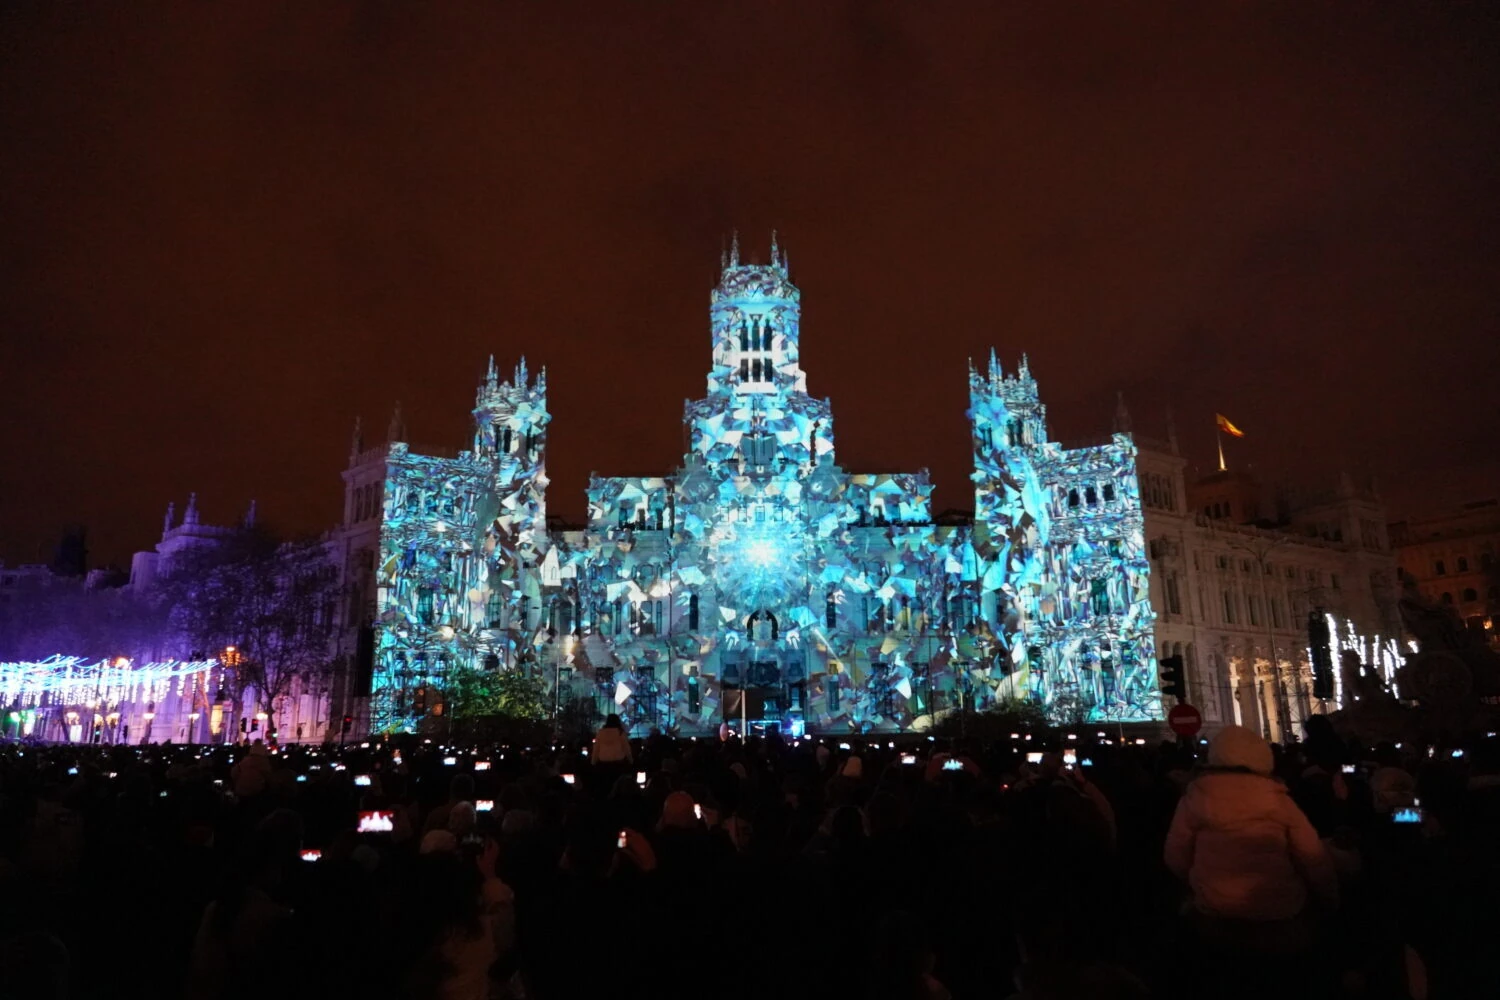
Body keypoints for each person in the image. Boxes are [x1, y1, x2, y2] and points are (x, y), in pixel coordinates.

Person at [1165, 725, 1337, 994]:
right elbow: (1313, 858)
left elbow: (1175, 857)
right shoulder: (1279, 800)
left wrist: (1201, 882)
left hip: (1215, 916)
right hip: (1279, 917)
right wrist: (1330, 900)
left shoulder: (1195, 799)